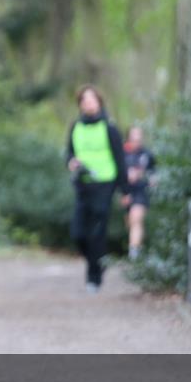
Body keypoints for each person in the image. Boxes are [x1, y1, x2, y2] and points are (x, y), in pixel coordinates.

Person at [65, 85, 129, 293]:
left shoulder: (109, 127)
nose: (89, 103)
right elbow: (69, 152)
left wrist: (125, 190)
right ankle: (98, 261)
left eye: (92, 100)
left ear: (99, 103)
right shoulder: (76, 126)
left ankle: (94, 276)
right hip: (83, 184)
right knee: (78, 233)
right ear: (80, 104)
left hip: (105, 183)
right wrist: (71, 162)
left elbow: (120, 159)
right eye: (85, 100)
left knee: (98, 230)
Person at [121, 126, 156, 260]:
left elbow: (154, 172)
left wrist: (150, 179)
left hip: (141, 192)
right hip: (126, 192)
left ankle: (134, 253)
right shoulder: (122, 154)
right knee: (131, 223)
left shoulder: (147, 154)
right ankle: (139, 247)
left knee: (136, 219)